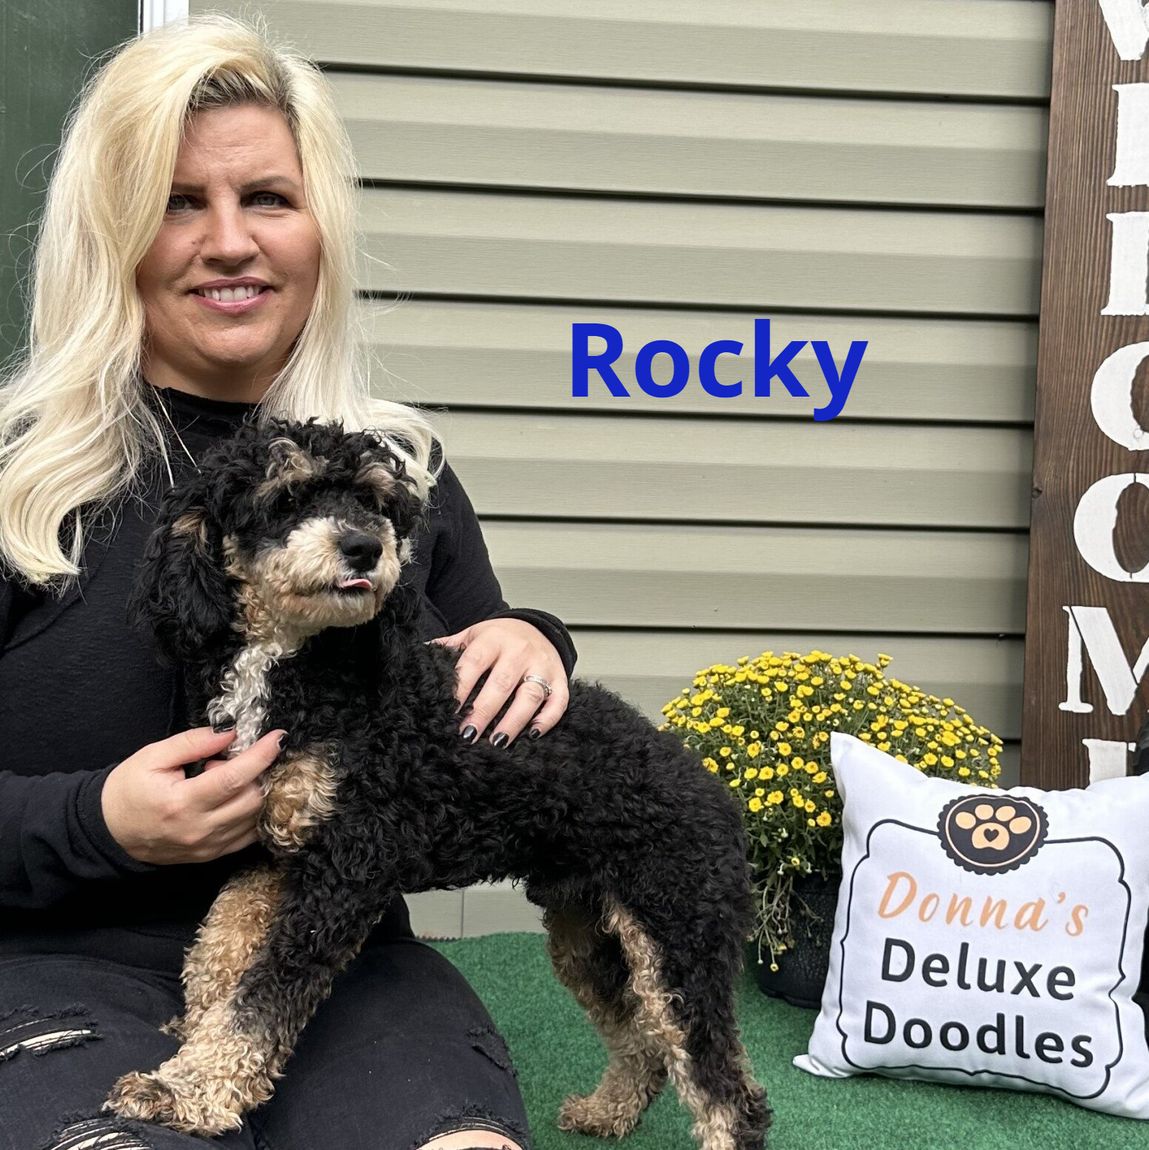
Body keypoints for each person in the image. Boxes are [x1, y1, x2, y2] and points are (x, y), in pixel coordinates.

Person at [0, 15, 574, 1150]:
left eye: (267, 197)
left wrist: (531, 639)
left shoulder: (395, 472)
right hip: (51, 971)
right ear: (109, 232)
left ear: (320, 228)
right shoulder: (21, 480)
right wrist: (94, 820)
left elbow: (461, 715)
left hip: (340, 961)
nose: (229, 242)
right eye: (176, 202)